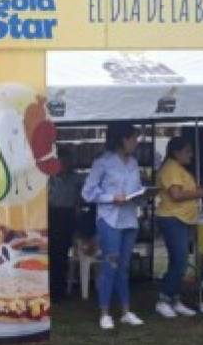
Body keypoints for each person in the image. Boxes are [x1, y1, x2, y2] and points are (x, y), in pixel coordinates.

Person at [82, 123, 146, 330]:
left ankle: (126, 311)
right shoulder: (103, 162)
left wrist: (142, 196)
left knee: (124, 268)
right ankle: (104, 312)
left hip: (129, 218)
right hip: (109, 219)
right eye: (133, 138)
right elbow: (87, 192)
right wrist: (111, 197)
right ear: (122, 139)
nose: (136, 142)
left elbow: (135, 190)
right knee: (110, 265)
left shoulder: (134, 163)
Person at [154, 137, 203, 318]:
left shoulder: (178, 169)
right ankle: (163, 299)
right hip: (172, 218)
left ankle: (175, 300)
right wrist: (198, 193)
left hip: (183, 219)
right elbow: (176, 194)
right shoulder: (171, 168)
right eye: (187, 151)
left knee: (178, 261)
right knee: (181, 261)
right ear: (176, 152)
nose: (191, 155)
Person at [47, 146, 82, 301]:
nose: (66, 164)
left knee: (62, 254)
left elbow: (80, 199)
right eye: (62, 161)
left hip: (68, 216)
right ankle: (52, 290)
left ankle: (60, 290)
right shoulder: (49, 178)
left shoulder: (75, 178)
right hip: (52, 215)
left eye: (68, 161)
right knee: (53, 254)